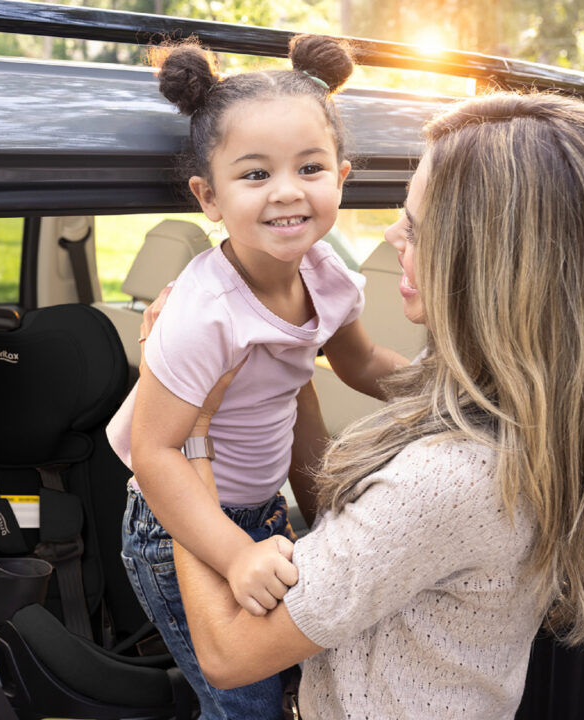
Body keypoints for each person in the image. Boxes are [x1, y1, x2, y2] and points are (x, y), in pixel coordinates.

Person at [163, 91, 584, 720]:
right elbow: (368, 534)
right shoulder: (541, 411)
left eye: (416, 224)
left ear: (492, 264)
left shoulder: (450, 478)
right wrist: (280, 345)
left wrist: (193, 439)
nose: (391, 234)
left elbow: (228, 655)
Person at [106, 35, 407, 719]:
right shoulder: (202, 314)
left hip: (262, 510)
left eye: (310, 167)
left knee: (289, 676)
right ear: (208, 197)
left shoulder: (327, 277)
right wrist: (236, 555)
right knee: (242, 700)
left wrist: (445, 389)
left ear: (342, 176)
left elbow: (361, 362)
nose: (287, 193)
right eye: (255, 175)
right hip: (179, 520)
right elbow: (154, 454)